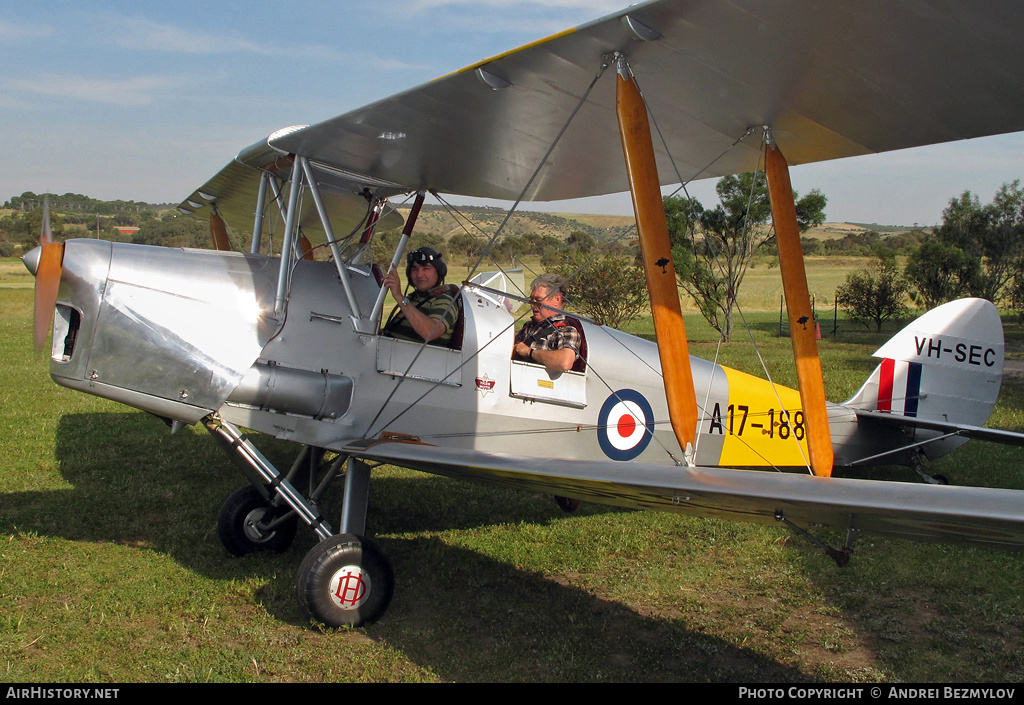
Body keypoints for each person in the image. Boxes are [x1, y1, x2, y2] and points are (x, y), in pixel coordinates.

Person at [381, 247, 458, 346]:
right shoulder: (413, 299)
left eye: (426, 268)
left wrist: (399, 297)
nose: (419, 275)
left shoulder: (444, 300)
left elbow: (430, 332)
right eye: (415, 269)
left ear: (439, 271)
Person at [513, 273, 581, 373]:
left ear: (557, 299)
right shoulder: (528, 326)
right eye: (532, 300)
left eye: (538, 300)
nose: (533, 305)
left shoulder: (566, 330)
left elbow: (565, 362)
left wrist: (529, 352)